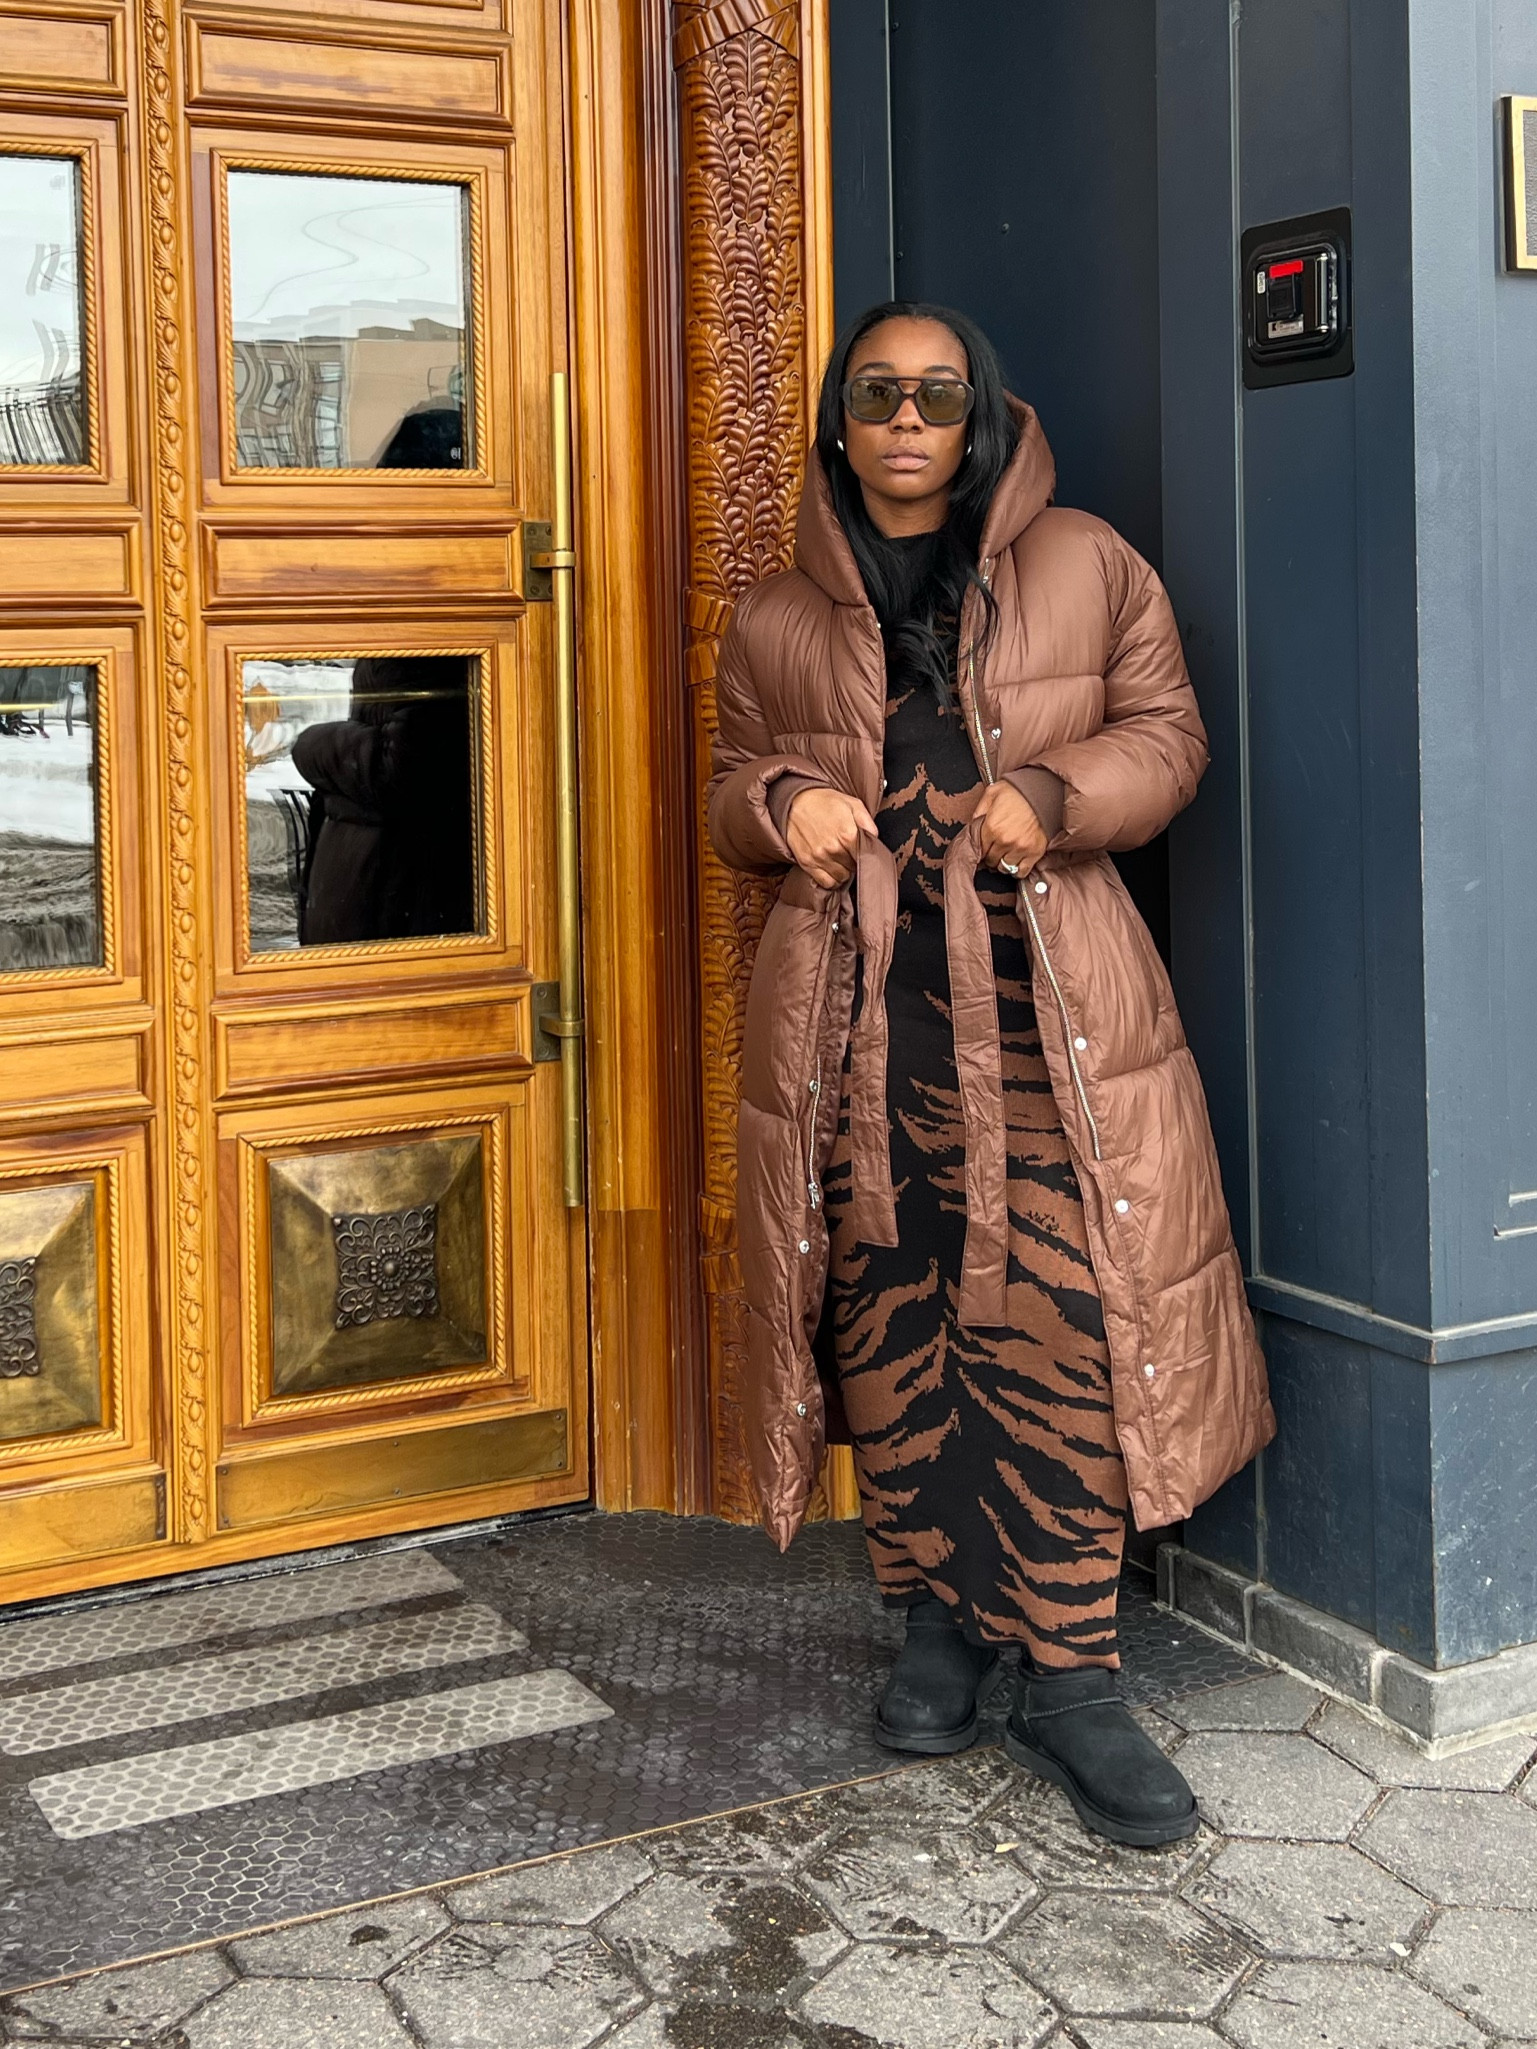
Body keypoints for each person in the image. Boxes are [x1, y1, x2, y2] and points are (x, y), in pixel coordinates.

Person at [707, 301, 1275, 1847]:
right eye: (876, 392)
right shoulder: (774, 612)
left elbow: (1168, 736)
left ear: (982, 416)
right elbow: (727, 785)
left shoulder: (1087, 563)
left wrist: (1054, 789)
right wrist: (779, 802)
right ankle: (940, 1629)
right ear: (838, 422)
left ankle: (1075, 1675)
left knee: (1061, 1322)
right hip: (857, 1030)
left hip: (1051, 1024)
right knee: (892, 1320)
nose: (906, 418)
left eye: (937, 394)